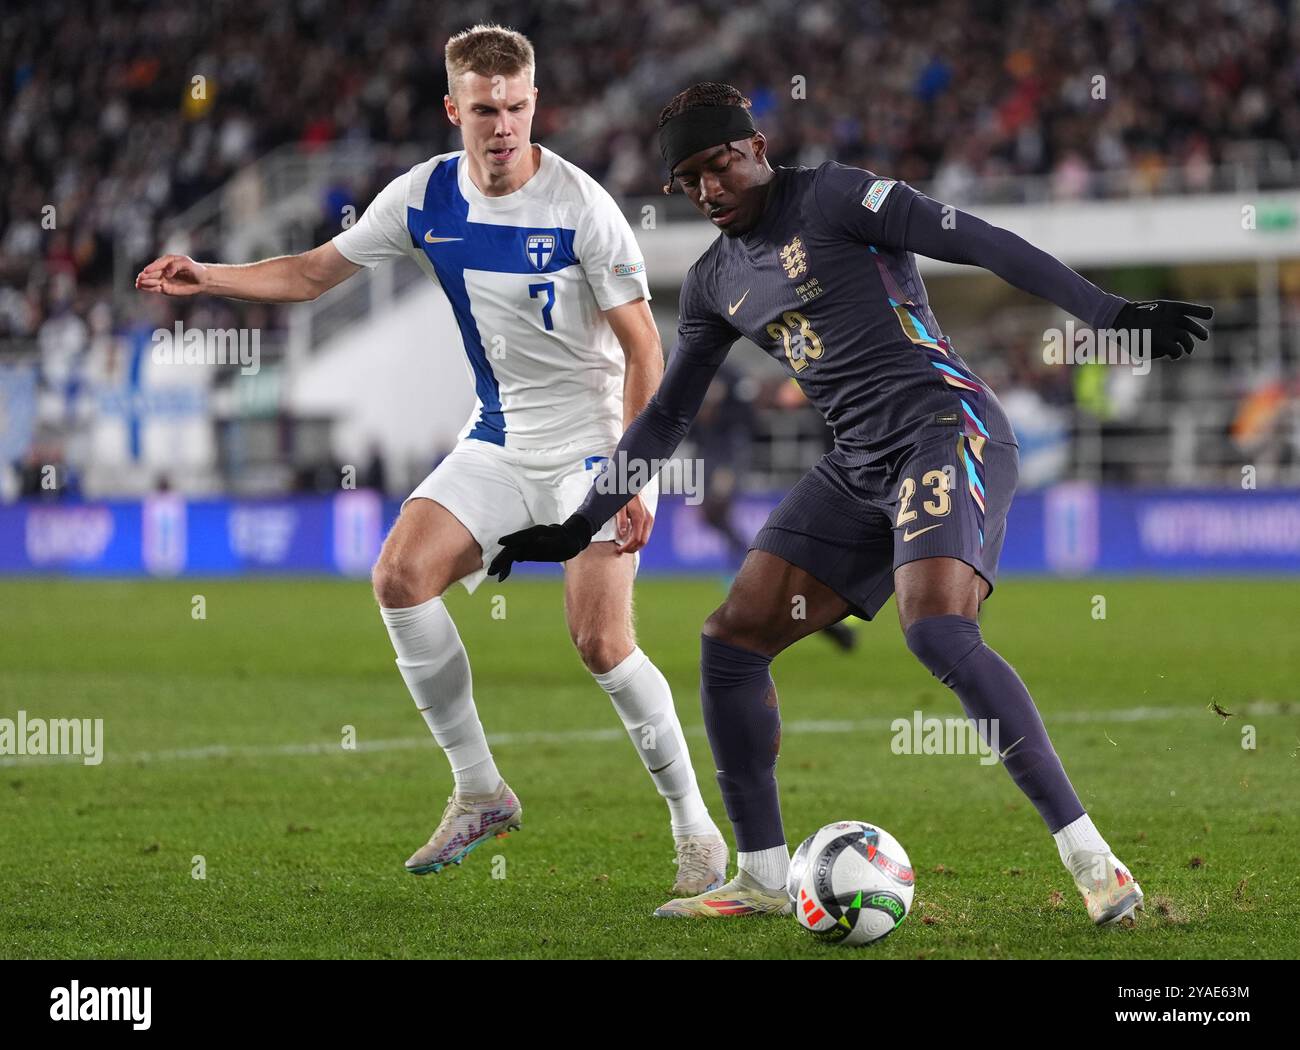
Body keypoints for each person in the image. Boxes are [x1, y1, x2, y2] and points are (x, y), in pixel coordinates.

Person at [487, 82, 1213, 924]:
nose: (709, 190)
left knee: (937, 629)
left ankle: (1094, 863)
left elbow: (978, 240)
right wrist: (579, 524)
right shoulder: (718, 277)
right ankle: (760, 876)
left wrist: (1108, 312)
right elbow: (668, 415)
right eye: (688, 182)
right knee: (730, 642)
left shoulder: (836, 195)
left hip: (949, 429)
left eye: (718, 166)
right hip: (857, 464)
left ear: (756, 147)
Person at [135, 29, 728, 894]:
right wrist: (210, 276)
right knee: (399, 577)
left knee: (600, 642)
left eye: (518, 109)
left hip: (592, 448)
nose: (503, 128)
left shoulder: (583, 207)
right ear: (455, 109)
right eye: (485, 110)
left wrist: (627, 478)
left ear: (535, 106)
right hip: (496, 438)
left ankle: (695, 830)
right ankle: (480, 790)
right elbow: (310, 274)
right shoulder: (422, 199)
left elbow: (646, 350)